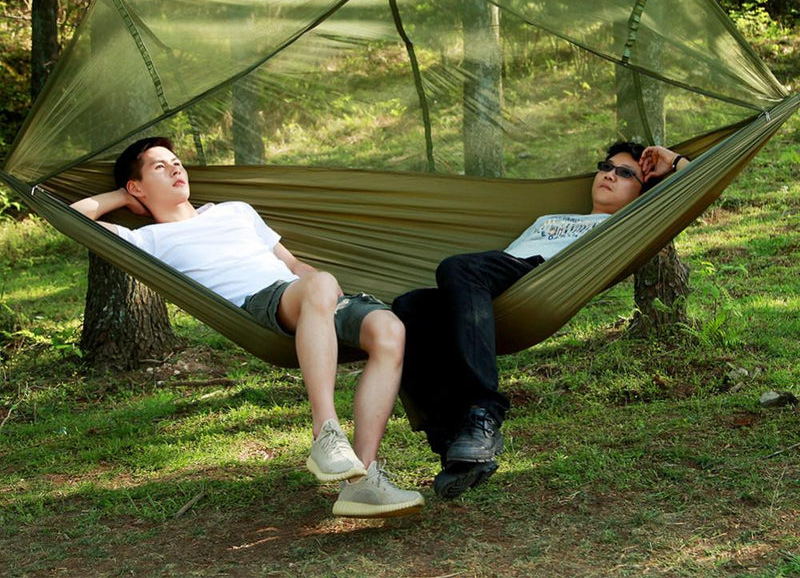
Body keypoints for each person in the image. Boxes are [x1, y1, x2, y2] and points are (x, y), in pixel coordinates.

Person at [71, 137, 424, 519]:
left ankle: (361, 483)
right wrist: (122, 198)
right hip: (260, 304)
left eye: (177, 162)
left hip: (308, 294)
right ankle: (326, 432)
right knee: (321, 285)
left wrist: (320, 284)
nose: (176, 168)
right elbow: (73, 217)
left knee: (390, 330)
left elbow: (292, 265)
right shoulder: (146, 240)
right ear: (136, 186)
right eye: (160, 166)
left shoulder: (236, 210)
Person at [392, 141, 690, 500]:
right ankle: (453, 447)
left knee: (457, 267)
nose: (609, 174)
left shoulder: (626, 225)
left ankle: (484, 411)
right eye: (606, 166)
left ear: (642, 189)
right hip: (492, 289)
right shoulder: (550, 219)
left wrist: (671, 160)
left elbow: (691, 188)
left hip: (538, 280)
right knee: (407, 307)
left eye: (625, 173)